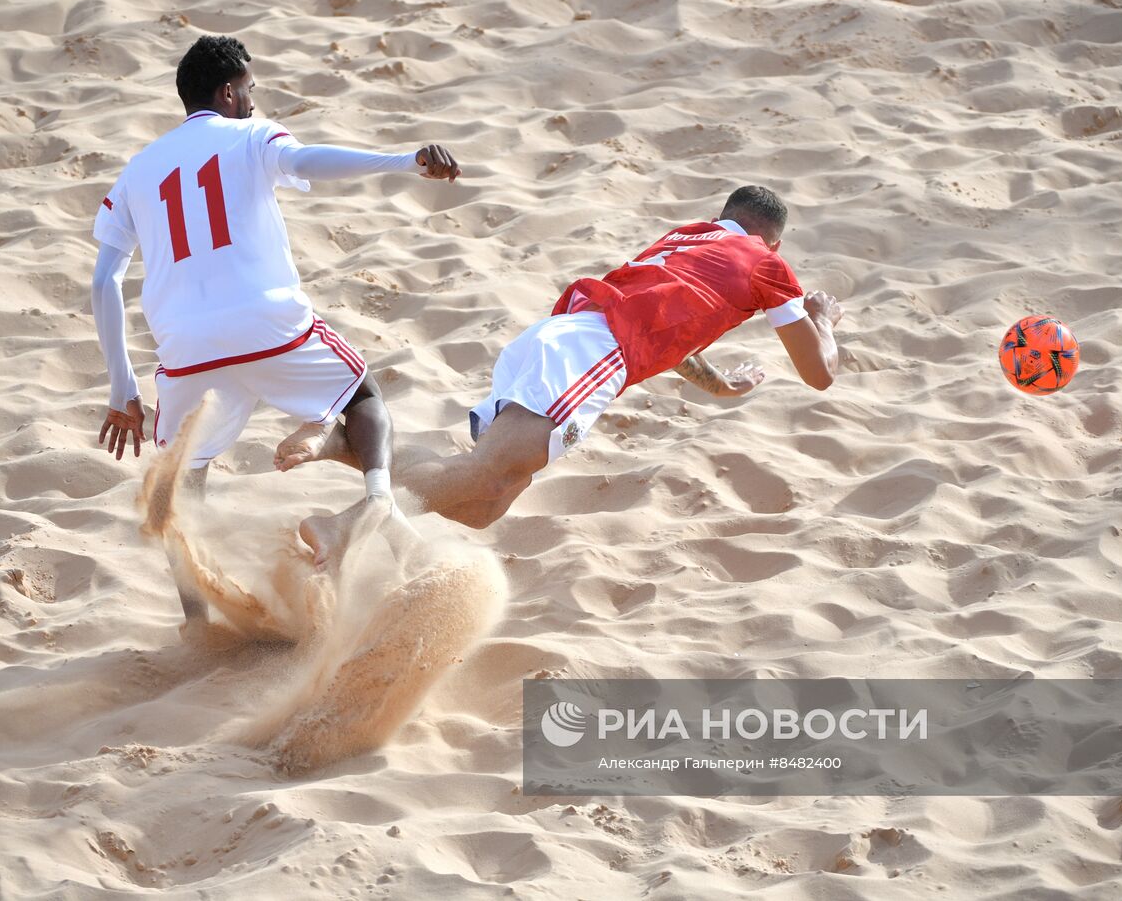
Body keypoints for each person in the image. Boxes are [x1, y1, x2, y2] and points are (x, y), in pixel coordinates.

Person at [90, 35, 459, 623]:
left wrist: (121, 389)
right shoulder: (251, 136)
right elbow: (307, 159)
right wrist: (400, 161)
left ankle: (196, 623)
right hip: (268, 323)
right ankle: (379, 502)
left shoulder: (138, 171)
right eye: (251, 91)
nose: (255, 103)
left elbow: (105, 280)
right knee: (364, 397)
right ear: (228, 91)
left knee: (180, 482)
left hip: (184, 345)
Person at [298, 185, 843, 553]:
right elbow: (818, 373)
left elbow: (662, 330)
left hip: (558, 340)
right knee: (484, 474)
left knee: (488, 502)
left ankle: (347, 444)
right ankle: (341, 529)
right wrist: (823, 320)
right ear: (774, 240)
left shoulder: (687, 236)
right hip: (589, 355)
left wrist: (720, 386)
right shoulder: (765, 263)